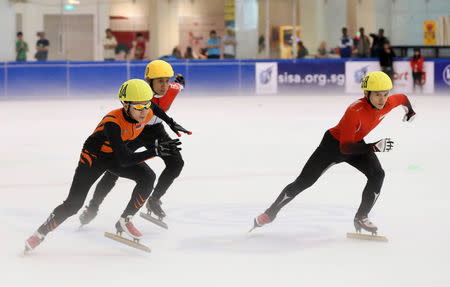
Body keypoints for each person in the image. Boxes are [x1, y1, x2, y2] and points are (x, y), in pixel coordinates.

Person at [25, 79, 191, 252]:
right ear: (125, 105)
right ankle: (40, 233)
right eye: (139, 107)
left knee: (148, 177)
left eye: (146, 105)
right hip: (93, 158)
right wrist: (156, 151)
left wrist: (171, 122)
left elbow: (156, 109)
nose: (144, 112)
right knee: (74, 204)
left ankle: (125, 219)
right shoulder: (113, 123)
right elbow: (125, 159)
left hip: (114, 156)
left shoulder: (147, 111)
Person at [252, 71, 416, 235]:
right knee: (303, 182)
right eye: (378, 95)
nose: (383, 99)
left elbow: (402, 99)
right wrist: (374, 147)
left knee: (378, 174)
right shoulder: (355, 111)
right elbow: (344, 149)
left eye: (386, 94)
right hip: (332, 147)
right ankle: (270, 213)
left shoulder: (388, 103)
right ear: (366, 94)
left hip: (356, 143)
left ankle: (361, 217)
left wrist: (409, 111)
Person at [80, 60, 188, 225]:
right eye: (160, 81)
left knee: (176, 163)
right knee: (114, 170)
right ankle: (93, 206)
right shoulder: (138, 94)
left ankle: (155, 199)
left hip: (156, 130)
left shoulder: (172, 89)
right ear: (148, 81)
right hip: (135, 129)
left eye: (167, 81)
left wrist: (179, 81)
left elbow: (179, 85)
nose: (164, 86)